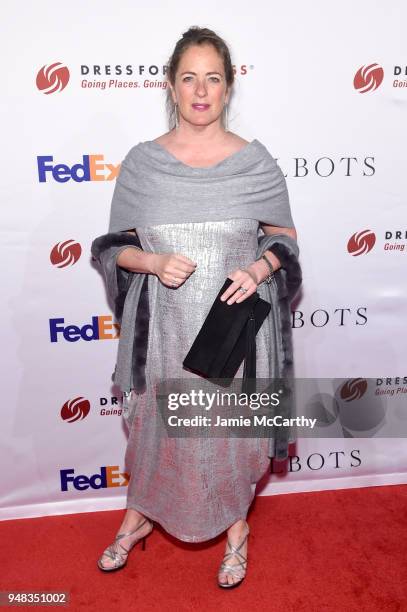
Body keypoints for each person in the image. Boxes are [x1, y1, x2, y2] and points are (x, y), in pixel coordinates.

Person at [91, 26, 301, 588]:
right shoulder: (142, 164)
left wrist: (259, 268)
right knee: (158, 434)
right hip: (161, 334)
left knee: (226, 439)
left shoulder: (256, 165)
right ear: (171, 86)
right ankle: (137, 521)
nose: (201, 90)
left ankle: (236, 531)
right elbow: (112, 248)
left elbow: (285, 242)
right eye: (190, 78)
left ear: (229, 88)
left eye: (213, 78)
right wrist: (153, 264)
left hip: (231, 338)